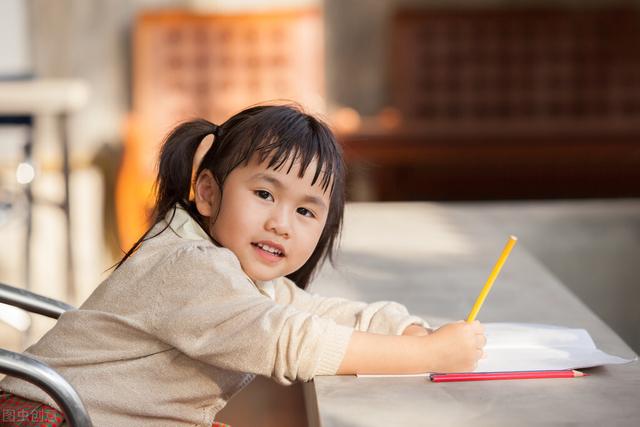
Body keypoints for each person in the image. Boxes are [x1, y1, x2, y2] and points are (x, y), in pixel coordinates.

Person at [0, 104, 486, 426]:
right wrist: (429, 358)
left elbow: (315, 314)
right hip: (51, 416)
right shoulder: (190, 267)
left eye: (304, 210)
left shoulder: (238, 273)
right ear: (208, 194)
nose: (280, 223)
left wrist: (406, 329)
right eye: (263, 194)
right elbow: (289, 342)